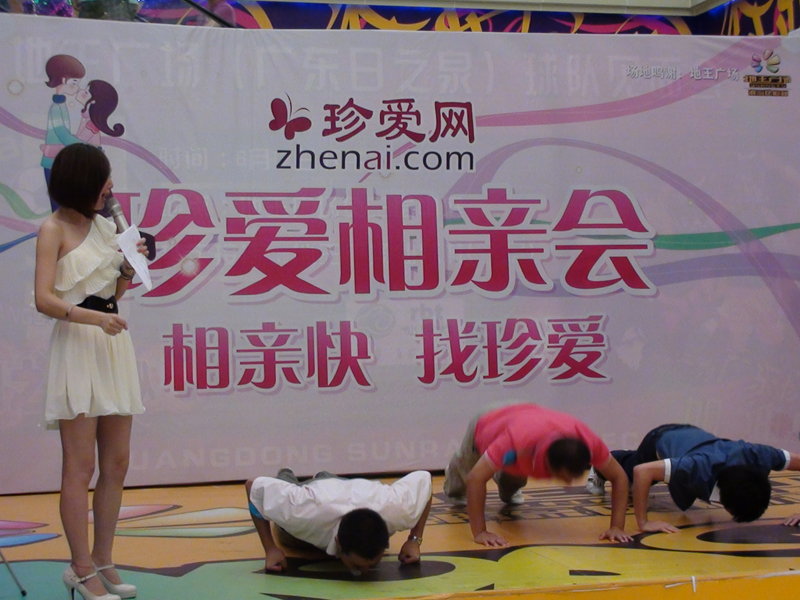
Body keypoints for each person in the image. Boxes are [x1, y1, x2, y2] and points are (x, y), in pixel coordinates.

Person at [34, 144, 147, 600]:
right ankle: (80, 567)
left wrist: (128, 268)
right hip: (79, 345)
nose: (110, 187)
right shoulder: (52, 229)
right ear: (82, 181)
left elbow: (113, 293)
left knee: (116, 463)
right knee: (80, 467)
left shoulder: (107, 226)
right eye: (104, 178)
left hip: (112, 344)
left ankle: (103, 558)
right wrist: (93, 319)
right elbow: (44, 299)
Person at [445, 402, 632, 547]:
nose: (568, 483)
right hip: (490, 419)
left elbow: (619, 477)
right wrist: (480, 532)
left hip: (529, 415)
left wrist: (617, 527)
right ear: (548, 464)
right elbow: (475, 479)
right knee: (465, 470)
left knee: (512, 485)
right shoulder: (516, 441)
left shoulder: (588, 442)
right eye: (564, 477)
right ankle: (457, 480)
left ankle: (504, 480)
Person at [586, 424, 800, 533]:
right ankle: (602, 465)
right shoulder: (697, 467)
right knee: (630, 474)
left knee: (659, 473)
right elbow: (643, 472)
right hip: (661, 439)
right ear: (724, 500)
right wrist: (644, 522)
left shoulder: (760, 455)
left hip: (694, 438)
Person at [245, 468, 432, 576]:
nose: (364, 573)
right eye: (357, 566)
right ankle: (286, 473)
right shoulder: (303, 511)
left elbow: (425, 481)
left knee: (329, 480)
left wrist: (414, 540)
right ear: (338, 543)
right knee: (286, 527)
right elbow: (253, 487)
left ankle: (324, 475)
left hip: (345, 487)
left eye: (372, 565)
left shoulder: (395, 509)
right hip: (315, 498)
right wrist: (270, 548)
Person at [41, 55, 85, 212]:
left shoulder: (60, 105)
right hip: (53, 163)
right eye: (75, 82)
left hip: (60, 162)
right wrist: (86, 147)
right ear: (64, 80)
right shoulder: (56, 107)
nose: (77, 87)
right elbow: (62, 134)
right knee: (59, 209)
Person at [76, 80, 125, 147]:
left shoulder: (92, 125)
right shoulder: (89, 118)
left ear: (93, 101)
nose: (80, 91)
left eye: (86, 92)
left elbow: (79, 142)